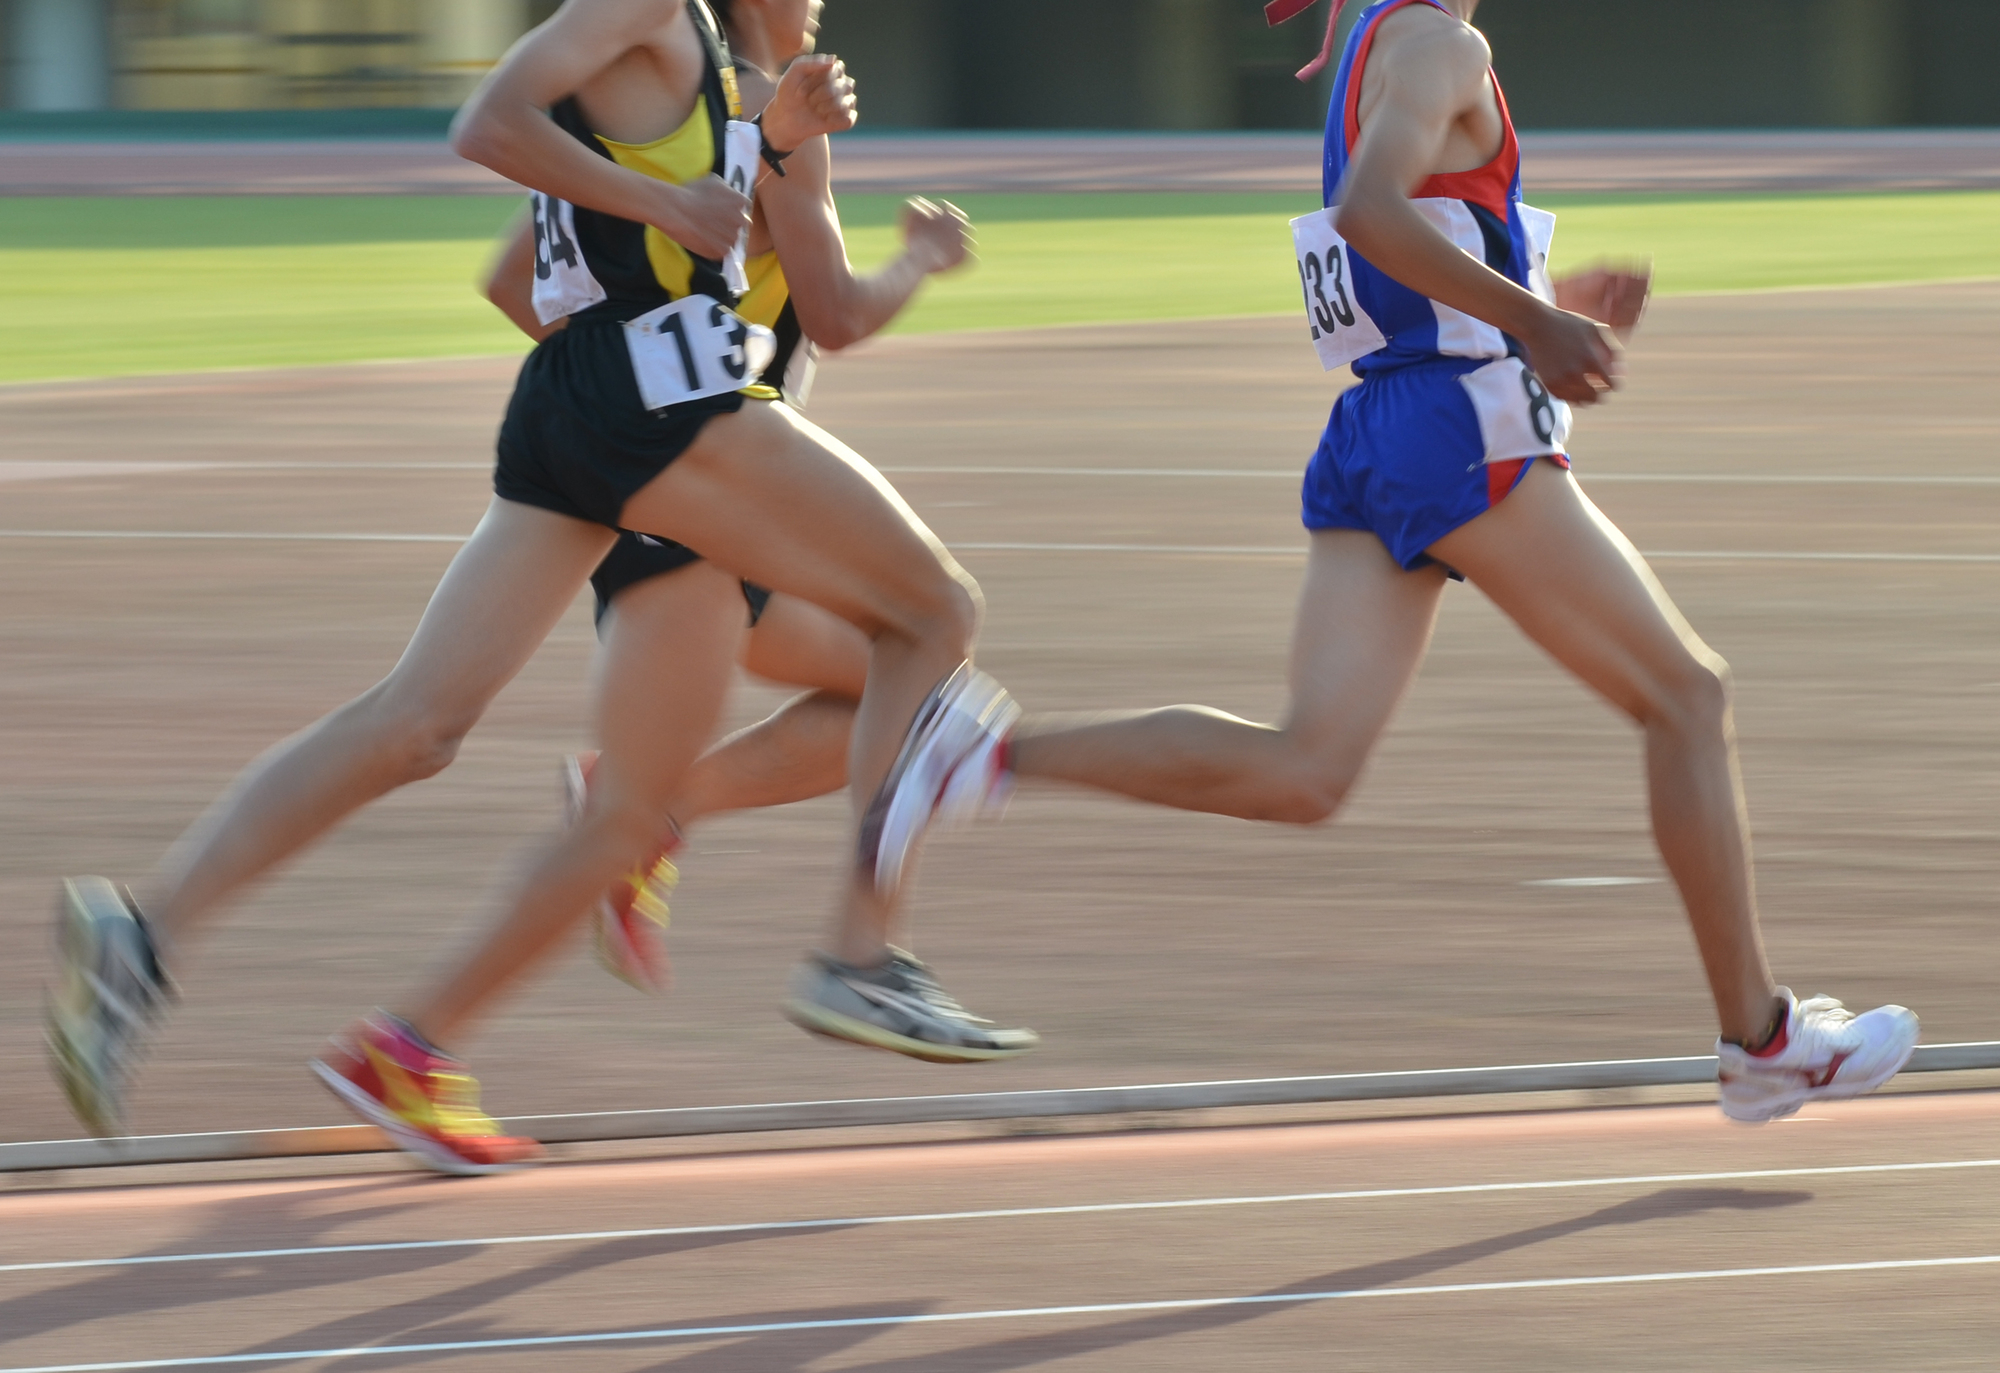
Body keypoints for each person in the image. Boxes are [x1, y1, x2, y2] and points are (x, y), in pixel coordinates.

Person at [891, 0, 1921, 1126]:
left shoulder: (1367, 41)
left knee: (1305, 768)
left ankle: (979, 755)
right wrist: (1532, 318)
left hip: (1378, 423)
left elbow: (1396, 251)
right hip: (1454, 426)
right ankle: (1760, 1040)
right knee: (1685, 695)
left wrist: (1535, 298)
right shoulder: (1440, 44)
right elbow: (1369, 214)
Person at [47, 0, 1030, 1173]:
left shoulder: (732, 79)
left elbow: (544, 270)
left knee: (418, 724)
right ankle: (859, 956)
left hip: (589, 414)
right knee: (934, 617)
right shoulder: (653, 13)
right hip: (665, 415)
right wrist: (697, 229)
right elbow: (487, 121)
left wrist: (752, 168)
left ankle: (148, 938)